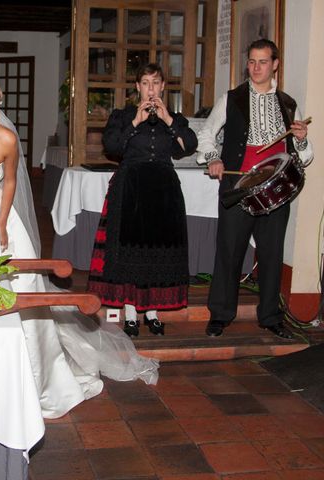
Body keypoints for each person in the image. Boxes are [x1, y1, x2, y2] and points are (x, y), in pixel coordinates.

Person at [0, 75, 159, 419]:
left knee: (24, 301)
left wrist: (3, 221)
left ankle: (33, 384)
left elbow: (9, 182)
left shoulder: (6, 139)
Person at [197, 39, 313, 339]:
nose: (256, 67)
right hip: (239, 187)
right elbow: (206, 134)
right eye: (251, 62)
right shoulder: (232, 98)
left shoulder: (288, 103)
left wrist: (300, 138)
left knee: (272, 254)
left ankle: (271, 317)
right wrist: (214, 159)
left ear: (275, 64)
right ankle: (220, 315)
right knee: (229, 252)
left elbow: (304, 155)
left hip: (275, 190)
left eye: (262, 62)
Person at [87, 63, 198, 338]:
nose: (150, 88)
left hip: (162, 192)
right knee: (129, 254)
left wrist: (168, 120)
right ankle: (131, 314)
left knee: (155, 256)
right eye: (145, 83)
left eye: (155, 83)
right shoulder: (123, 116)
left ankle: (152, 314)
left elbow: (190, 145)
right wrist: (135, 122)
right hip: (131, 190)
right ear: (137, 87)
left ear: (162, 87)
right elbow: (112, 146)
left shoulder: (174, 118)